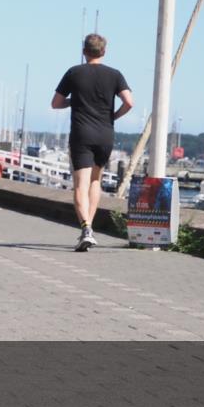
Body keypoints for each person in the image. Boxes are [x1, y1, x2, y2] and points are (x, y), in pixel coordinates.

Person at [52, 33, 133, 251]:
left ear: (84, 51)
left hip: (82, 134)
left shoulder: (74, 72)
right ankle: (89, 228)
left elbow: (56, 103)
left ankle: (86, 228)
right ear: (104, 51)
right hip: (105, 134)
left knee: (81, 184)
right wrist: (113, 116)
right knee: (95, 181)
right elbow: (129, 102)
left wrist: (74, 101)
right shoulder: (115, 75)